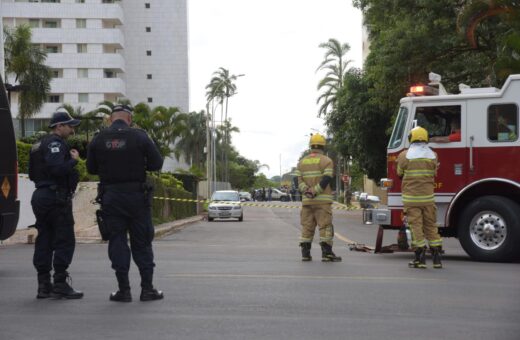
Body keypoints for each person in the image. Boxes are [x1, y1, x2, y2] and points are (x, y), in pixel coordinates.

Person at [86, 104, 165, 302]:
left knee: (117, 241)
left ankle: (124, 290)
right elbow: (156, 163)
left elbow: (91, 168)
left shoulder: (99, 138)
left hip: (111, 197)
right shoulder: (140, 136)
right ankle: (147, 289)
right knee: (142, 243)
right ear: (129, 119)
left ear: (110, 119)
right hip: (137, 197)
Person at [29, 111, 84, 299]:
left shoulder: (37, 145)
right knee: (64, 239)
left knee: (45, 238)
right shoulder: (55, 144)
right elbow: (57, 169)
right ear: (59, 126)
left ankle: (43, 285)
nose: (72, 129)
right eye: (69, 126)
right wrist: (73, 161)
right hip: (55, 197)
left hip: (41, 196)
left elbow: (32, 174)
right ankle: (60, 283)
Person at [397, 126, 442, 269]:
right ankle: (437, 260)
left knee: (416, 227)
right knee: (431, 227)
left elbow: (399, 173)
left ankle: (420, 258)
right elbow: (434, 173)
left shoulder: (404, 155)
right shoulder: (433, 155)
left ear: (411, 138)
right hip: (428, 198)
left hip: (411, 199)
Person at [294, 133, 341, 262]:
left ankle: (305, 254)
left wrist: (307, 191)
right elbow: (327, 178)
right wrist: (316, 191)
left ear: (310, 146)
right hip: (322, 202)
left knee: (307, 227)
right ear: (323, 146)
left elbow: (297, 180)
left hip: (307, 201)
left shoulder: (301, 162)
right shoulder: (327, 161)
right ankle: (326, 254)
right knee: (325, 226)